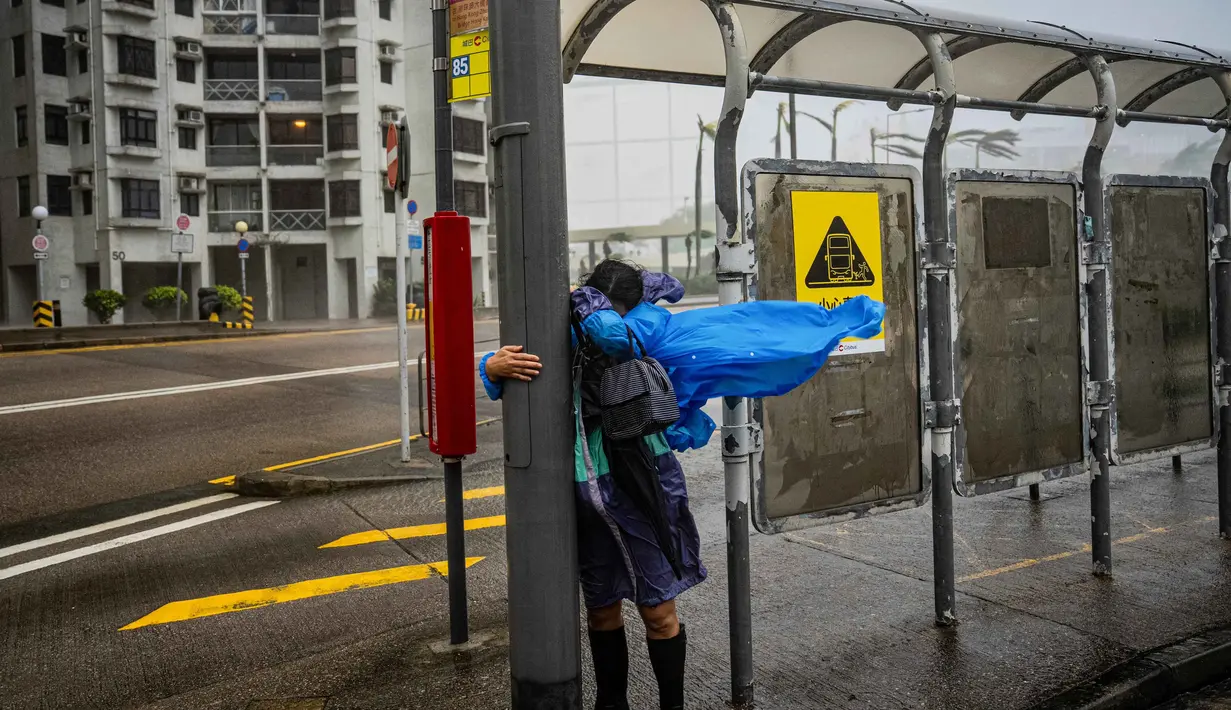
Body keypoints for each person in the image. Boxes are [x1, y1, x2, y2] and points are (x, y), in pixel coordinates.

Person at [481, 259, 884, 710]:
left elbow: (737, 335)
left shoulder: (651, 328)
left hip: (642, 485)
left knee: (658, 610)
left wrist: (597, 308)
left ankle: (673, 705)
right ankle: (611, 703)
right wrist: (491, 367)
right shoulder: (565, 333)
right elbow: (516, 370)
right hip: (580, 489)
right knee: (601, 606)